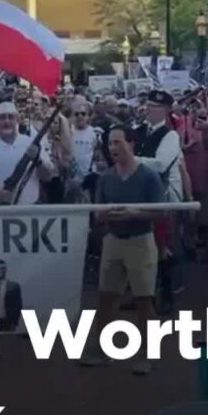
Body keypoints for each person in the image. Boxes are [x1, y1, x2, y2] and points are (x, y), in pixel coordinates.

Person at [80, 124, 166, 373]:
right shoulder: (106, 177)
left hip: (141, 240)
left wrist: (134, 212)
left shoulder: (148, 176)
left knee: (143, 299)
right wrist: (107, 216)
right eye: (110, 143)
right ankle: (102, 350)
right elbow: (98, 213)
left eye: (118, 142)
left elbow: (161, 211)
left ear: (131, 143)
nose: (113, 148)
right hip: (113, 241)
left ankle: (146, 354)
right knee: (106, 296)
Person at [0, 102, 54, 205]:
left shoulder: (31, 144)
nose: (6, 121)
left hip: (29, 212)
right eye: (2, 118)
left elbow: (48, 176)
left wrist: (38, 161)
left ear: (17, 120)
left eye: (10, 117)